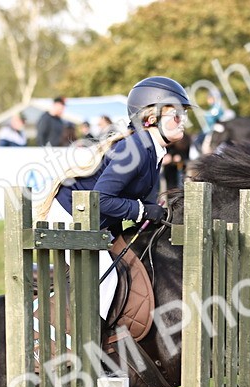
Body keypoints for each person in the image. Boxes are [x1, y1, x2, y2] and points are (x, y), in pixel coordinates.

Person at [38, 76, 192, 320]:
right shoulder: (137, 149)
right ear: (151, 118)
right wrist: (142, 211)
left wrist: (156, 211)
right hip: (72, 217)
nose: (183, 120)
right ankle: (83, 343)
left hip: (94, 220)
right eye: (176, 114)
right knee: (107, 278)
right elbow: (101, 199)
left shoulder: (153, 150)